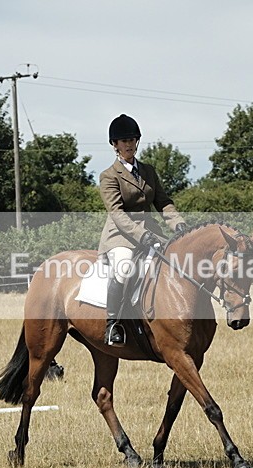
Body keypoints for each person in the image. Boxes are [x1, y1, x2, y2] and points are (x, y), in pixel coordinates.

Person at [98, 114, 187, 347]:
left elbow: (163, 202)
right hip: (121, 236)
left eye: (132, 139)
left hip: (152, 232)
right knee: (124, 268)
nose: (128, 144)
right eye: (124, 140)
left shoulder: (148, 171)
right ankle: (112, 324)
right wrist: (140, 235)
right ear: (114, 145)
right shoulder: (108, 176)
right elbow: (117, 213)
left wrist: (178, 223)